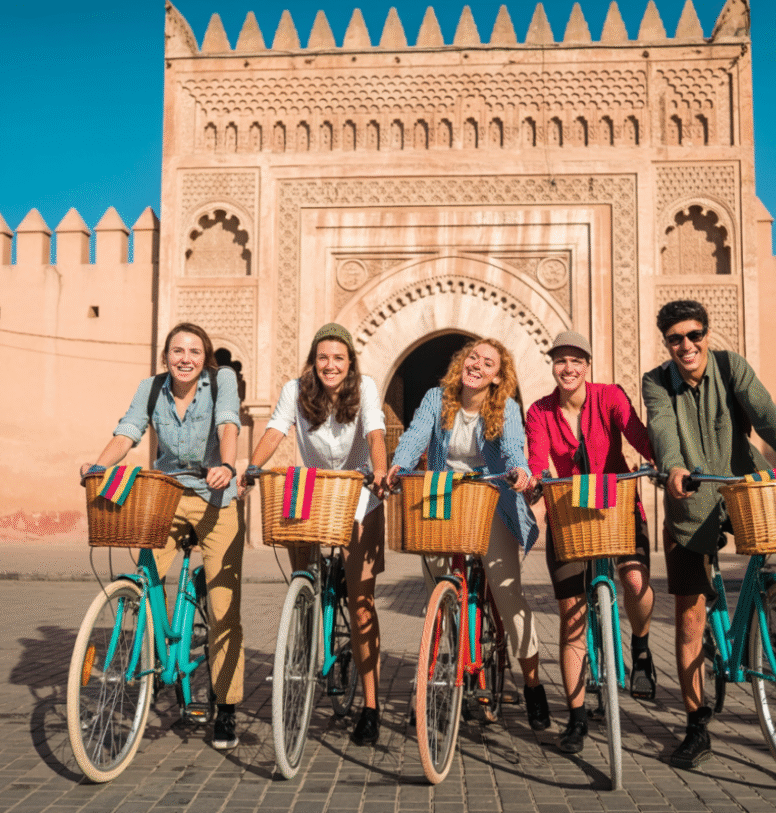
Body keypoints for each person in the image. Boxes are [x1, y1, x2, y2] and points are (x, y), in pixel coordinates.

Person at [641, 300, 776, 770]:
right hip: (691, 502)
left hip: (749, 491)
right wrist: (672, 468)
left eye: (693, 335)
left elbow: (766, 413)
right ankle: (695, 726)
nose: (686, 346)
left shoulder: (731, 368)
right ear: (666, 343)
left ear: (706, 334)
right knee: (690, 619)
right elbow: (663, 429)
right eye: (675, 339)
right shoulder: (656, 382)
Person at [80, 322, 245, 750]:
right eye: (177, 350)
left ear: (205, 356)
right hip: (165, 494)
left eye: (193, 351)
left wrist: (226, 466)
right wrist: (98, 467)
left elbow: (229, 423)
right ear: (166, 356)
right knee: (144, 580)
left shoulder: (221, 380)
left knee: (224, 607)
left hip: (215, 497)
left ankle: (225, 705)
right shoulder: (151, 388)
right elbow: (128, 431)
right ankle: (153, 662)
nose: (184, 358)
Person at [386, 337, 551, 732]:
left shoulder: (505, 408)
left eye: (487, 363)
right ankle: (427, 684)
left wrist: (520, 472)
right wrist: (399, 464)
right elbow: (414, 435)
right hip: (444, 498)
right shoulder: (437, 398)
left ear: (497, 377)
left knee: (508, 595)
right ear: (463, 361)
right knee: (438, 598)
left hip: (491, 499)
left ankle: (532, 685)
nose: (476, 365)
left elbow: (513, 448)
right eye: (472, 357)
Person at [242, 323, 388, 746]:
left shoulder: (367, 389)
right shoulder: (296, 390)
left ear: (350, 362)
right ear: (313, 360)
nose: (331, 365)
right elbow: (275, 428)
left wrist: (379, 470)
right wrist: (252, 467)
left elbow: (375, 432)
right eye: (323, 357)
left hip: (360, 494)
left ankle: (372, 705)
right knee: (302, 577)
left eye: (339, 357)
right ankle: (305, 611)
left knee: (362, 604)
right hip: (314, 492)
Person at [524, 330, 658, 754]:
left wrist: (661, 459)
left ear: (587, 365)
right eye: (561, 361)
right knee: (571, 617)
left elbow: (636, 433)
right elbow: (536, 454)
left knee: (635, 583)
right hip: (570, 514)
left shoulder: (609, 397)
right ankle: (577, 718)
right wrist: (532, 479)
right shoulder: (540, 410)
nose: (568, 368)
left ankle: (640, 646)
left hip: (617, 508)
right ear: (552, 366)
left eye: (576, 360)